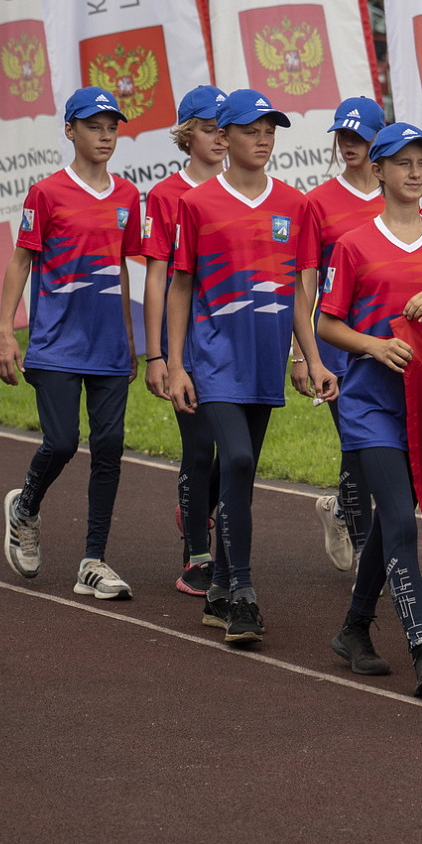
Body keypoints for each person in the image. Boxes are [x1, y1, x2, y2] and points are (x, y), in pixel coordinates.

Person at [314, 122, 422, 697]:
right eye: (403, 162)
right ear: (378, 171)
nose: (415, 172)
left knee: (392, 519)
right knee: (402, 520)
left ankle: (354, 629)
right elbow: (325, 322)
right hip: (371, 407)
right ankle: (421, 649)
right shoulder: (354, 244)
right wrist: (374, 346)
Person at [165, 89, 314, 645]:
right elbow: (182, 287)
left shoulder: (295, 205)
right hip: (213, 361)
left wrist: (309, 357)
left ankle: (222, 585)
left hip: (264, 365)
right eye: (252, 130)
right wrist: (176, 365)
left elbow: (297, 293)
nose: (263, 140)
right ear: (224, 138)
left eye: (270, 130)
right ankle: (244, 595)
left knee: (240, 475)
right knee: (240, 458)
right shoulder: (198, 203)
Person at [0, 86, 142, 600]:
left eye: (112, 127)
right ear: (70, 130)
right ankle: (26, 506)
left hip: (109, 348)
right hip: (56, 343)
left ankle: (94, 560)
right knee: (61, 442)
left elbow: (120, 267)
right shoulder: (47, 193)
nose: (105, 136)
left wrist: (129, 335)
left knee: (109, 448)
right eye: (94, 126)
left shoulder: (128, 197)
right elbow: (21, 260)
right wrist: (5, 333)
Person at [141, 84, 229, 597]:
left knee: (237, 450)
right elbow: (157, 278)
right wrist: (156, 355)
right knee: (199, 448)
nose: (219, 137)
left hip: (233, 342)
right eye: (208, 128)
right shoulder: (165, 195)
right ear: (186, 133)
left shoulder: (243, 190)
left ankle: (195, 504)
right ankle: (198, 556)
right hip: (186, 345)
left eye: (225, 128)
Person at [294, 97, 388, 573]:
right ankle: (373, 565)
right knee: (360, 444)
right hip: (337, 344)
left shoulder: (401, 195)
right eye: (344, 136)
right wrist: (301, 354)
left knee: (380, 449)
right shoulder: (318, 202)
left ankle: (340, 510)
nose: (350, 144)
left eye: (360, 136)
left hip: (389, 344)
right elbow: (305, 282)